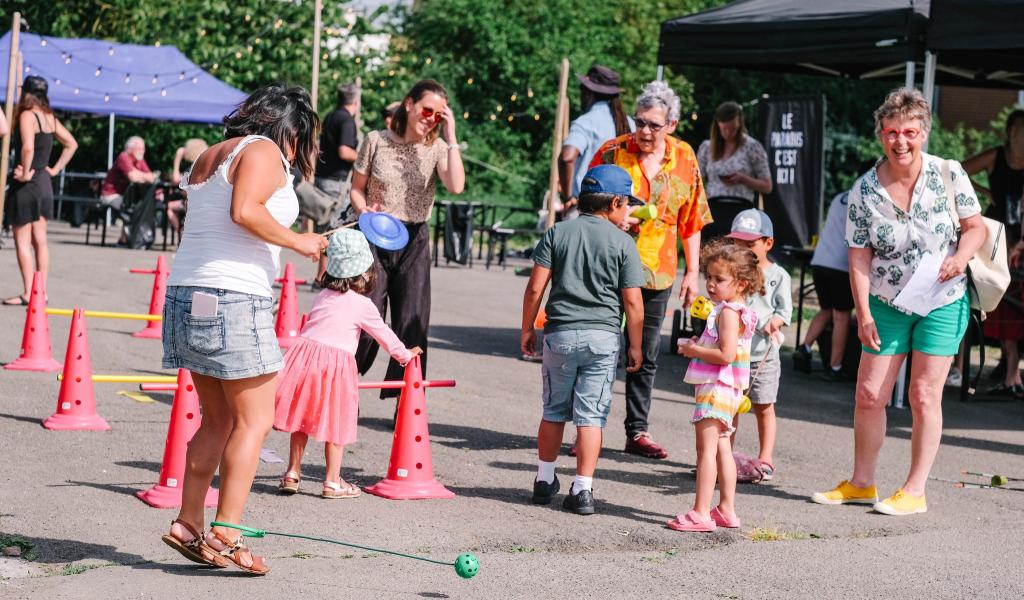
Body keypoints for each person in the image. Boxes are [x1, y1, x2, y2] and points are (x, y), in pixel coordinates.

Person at [160, 83, 328, 574]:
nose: (297, 153)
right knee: (255, 421)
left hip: (187, 292)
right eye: (300, 138)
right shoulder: (264, 151)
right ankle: (227, 533)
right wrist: (299, 242)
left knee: (217, 421)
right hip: (235, 297)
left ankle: (189, 523)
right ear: (287, 128)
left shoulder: (209, 154)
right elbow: (245, 211)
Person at [812, 88, 985, 516]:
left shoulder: (948, 172)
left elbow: (975, 227)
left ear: (923, 132)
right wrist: (864, 313)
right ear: (881, 135)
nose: (900, 141)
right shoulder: (865, 190)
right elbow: (858, 256)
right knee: (869, 394)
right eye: (892, 132)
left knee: (924, 394)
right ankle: (862, 483)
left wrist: (961, 257)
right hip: (887, 302)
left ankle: (914, 490)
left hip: (942, 299)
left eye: (909, 132)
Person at [590, 80, 711, 459]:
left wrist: (693, 272)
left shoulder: (686, 157)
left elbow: (692, 220)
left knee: (644, 352)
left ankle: (637, 432)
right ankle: (587, 426)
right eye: (639, 122)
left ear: (671, 125)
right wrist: (612, 220)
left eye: (653, 125)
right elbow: (587, 205)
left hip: (657, 270)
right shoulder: (612, 152)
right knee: (602, 346)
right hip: (608, 265)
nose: (643, 131)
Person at [522, 165, 645, 515]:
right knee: (591, 417)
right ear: (616, 202)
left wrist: (528, 328)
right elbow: (633, 302)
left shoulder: (558, 232)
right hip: (603, 338)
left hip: (559, 333)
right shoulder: (623, 242)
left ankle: (544, 480)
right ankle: (582, 490)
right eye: (627, 206)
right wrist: (635, 345)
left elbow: (535, 288)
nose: (628, 213)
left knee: (553, 410)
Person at [274, 229, 420, 499]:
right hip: (335, 366)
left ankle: (292, 472)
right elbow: (384, 335)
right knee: (336, 424)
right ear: (363, 272)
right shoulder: (362, 305)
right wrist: (405, 355)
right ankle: (332, 481)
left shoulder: (323, 296)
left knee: (301, 421)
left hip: (305, 359)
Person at [351, 79, 465, 395]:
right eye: (427, 109)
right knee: (365, 319)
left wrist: (451, 136)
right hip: (375, 233)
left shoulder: (438, 148)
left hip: (414, 237)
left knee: (413, 321)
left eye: (439, 115)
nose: (430, 118)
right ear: (409, 104)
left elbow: (456, 186)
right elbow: (356, 189)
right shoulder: (375, 140)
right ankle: (345, 385)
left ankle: (406, 400)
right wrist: (364, 211)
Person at [671, 240, 763, 532]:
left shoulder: (726, 312)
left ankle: (700, 512)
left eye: (719, 279)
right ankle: (726, 509)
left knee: (706, 451)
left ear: (741, 283)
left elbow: (725, 354)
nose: (710, 284)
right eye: (708, 276)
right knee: (723, 449)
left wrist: (694, 351)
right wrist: (701, 344)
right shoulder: (738, 310)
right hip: (729, 391)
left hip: (716, 388)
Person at [792, 158, 873, 379]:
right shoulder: (868, 200)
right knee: (841, 317)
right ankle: (835, 367)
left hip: (820, 261)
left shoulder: (841, 197)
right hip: (841, 265)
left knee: (826, 309)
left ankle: (806, 347)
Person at [726, 209, 791, 479]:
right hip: (733, 354)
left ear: (768, 243)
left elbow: (784, 311)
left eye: (750, 244)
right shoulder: (730, 272)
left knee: (764, 405)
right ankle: (724, 454)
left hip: (762, 354)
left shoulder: (779, 276)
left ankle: (766, 456)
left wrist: (775, 321)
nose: (744, 250)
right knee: (730, 406)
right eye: (738, 243)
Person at [963, 110, 1024, 397]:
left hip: (1020, 239)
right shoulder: (996, 156)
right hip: (993, 238)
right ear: (1010, 132)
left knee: (1015, 303)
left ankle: (1011, 365)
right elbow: (959, 171)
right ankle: (965, 364)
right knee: (987, 296)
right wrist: (983, 193)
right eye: (1019, 130)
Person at [3, 76, 77, 305]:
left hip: (28, 183)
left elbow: (27, 147)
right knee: (40, 241)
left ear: (26, 93)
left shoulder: (27, 115)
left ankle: (28, 292)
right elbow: (71, 143)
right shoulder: (49, 118)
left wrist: (25, 172)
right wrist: (54, 170)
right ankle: (40, 292)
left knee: (23, 241)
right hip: (44, 182)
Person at [558, 64, 634, 219]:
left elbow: (567, 157)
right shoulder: (630, 124)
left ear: (588, 93)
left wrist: (567, 197)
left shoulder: (586, 122)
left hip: (586, 209)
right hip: (620, 210)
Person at [296, 82, 361, 232]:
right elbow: (344, 151)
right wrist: (363, 158)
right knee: (332, 232)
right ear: (355, 102)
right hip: (336, 183)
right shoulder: (346, 120)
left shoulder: (331, 116)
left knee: (323, 229)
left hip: (322, 177)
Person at [697, 101, 772, 203]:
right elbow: (697, 181)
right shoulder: (706, 147)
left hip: (741, 206)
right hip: (713, 205)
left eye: (732, 129)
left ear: (740, 124)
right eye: (724, 129)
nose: (728, 133)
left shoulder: (753, 147)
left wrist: (743, 179)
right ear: (717, 126)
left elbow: (767, 186)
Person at [166, 138, 210, 235]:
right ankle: (181, 231)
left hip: (189, 203)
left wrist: (178, 157)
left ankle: (180, 231)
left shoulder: (192, 168)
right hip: (199, 203)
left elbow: (175, 179)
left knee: (167, 207)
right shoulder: (203, 166)